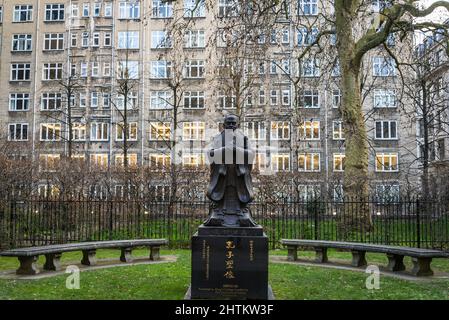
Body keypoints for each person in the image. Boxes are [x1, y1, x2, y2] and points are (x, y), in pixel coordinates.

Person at [204, 114, 257, 227]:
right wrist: (224, 150)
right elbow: (211, 153)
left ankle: (240, 212)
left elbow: (251, 154)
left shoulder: (243, 138)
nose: (231, 125)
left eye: (234, 123)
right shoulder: (217, 138)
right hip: (222, 173)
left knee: (238, 192)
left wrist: (236, 149)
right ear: (223, 125)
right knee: (222, 192)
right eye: (229, 123)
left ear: (237, 125)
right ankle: (219, 212)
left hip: (238, 173)